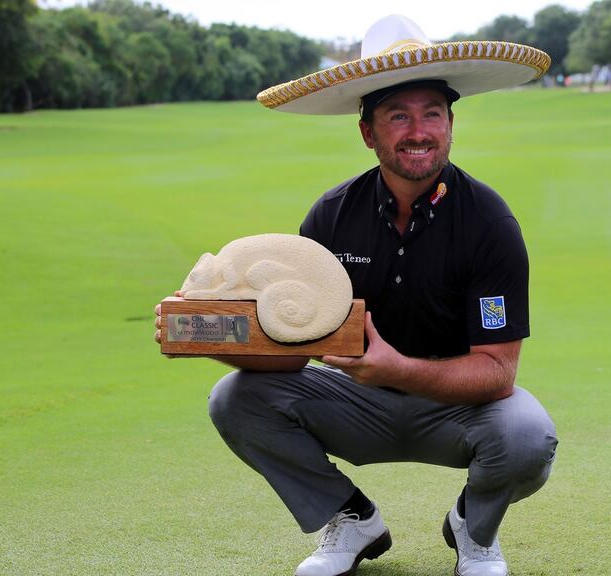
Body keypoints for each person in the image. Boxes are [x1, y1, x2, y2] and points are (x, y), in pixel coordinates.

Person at [156, 15, 558, 576]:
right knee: (234, 397)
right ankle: (351, 518)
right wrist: (207, 330)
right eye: (399, 116)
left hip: (456, 404)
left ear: (450, 123)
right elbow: (290, 349)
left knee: (527, 436)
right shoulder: (331, 215)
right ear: (368, 132)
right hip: (353, 401)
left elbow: (497, 373)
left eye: (432, 114)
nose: (419, 131)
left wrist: (395, 367)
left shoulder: (490, 222)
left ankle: (475, 529)